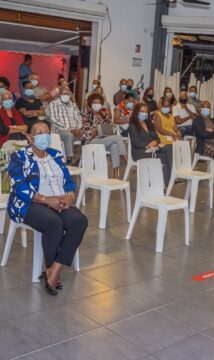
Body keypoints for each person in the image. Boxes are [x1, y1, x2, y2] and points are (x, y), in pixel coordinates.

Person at [7, 120, 88, 295]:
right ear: (30, 137)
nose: (43, 136)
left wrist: (69, 196)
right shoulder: (19, 157)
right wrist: (46, 200)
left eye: (46, 132)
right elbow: (19, 187)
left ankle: (54, 269)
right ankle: (52, 269)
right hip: (30, 203)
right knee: (54, 223)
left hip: (58, 200)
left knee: (79, 221)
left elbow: (68, 181)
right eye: (38, 132)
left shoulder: (56, 155)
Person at [81, 93, 126, 178]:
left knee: (114, 145)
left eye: (98, 103)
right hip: (91, 141)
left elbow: (111, 130)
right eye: (95, 102)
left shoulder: (104, 116)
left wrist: (109, 127)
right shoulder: (86, 116)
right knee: (118, 137)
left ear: (101, 104)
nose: (97, 104)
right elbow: (87, 133)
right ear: (90, 104)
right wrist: (96, 131)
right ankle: (125, 157)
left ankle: (115, 175)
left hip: (105, 140)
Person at [128, 103, 173, 185]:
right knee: (164, 156)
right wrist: (150, 144)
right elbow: (137, 143)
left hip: (152, 150)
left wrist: (155, 142)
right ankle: (169, 181)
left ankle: (169, 180)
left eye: (146, 112)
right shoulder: (132, 125)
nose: (144, 113)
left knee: (169, 147)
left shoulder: (150, 124)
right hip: (139, 152)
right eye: (142, 111)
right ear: (136, 112)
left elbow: (157, 139)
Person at [49, 86, 83, 163]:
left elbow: (79, 118)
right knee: (69, 135)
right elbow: (54, 119)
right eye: (64, 94)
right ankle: (69, 159)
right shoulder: (54, 104)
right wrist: (70, 129)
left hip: (75, 130)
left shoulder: (73, 104)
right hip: (60, 130)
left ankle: (81, 159)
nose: (66, 96)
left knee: (86, 134)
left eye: (68, 94)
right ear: (59, 94)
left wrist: (78, 128)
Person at [193, 101, 214, 174]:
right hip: (205, 145)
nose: (207, 109)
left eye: (208, 107)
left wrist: (213, 130)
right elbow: (203, 134)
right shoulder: (197, 121)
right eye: (205, 107)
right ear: (200, 109)